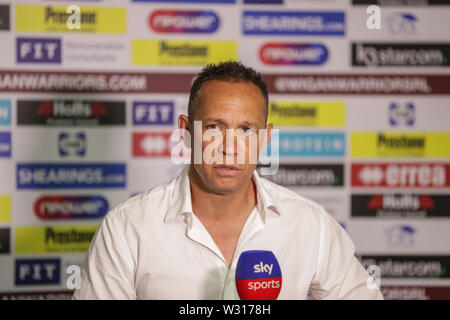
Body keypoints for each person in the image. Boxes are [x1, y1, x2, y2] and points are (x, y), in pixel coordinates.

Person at [73, 61, 383, 300]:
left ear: (265, 138)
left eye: (246, 130)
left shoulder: (310, 225)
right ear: (186, 131)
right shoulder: (126, 228)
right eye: (214, 127)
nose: (229, 147)